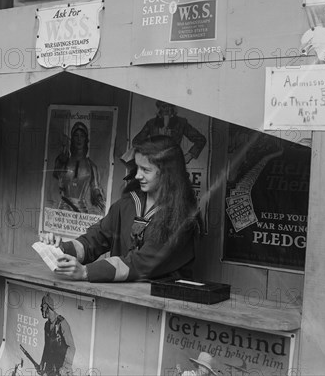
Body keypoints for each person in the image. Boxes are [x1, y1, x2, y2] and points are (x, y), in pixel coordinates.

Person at [42, 136, 199, 282]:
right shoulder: (128, 203)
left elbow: (140, 264)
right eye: (137, 168)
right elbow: (97, 238)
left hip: (161, 304)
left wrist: (86, 272)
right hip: (121, 300)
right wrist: (61, 249)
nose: (137, 175)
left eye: (146, 170)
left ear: (167, 174)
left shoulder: (182, 217)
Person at [52, 121, 105, 214]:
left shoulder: (92, 166)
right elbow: (56, 178)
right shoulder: (64, 161)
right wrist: (61, 159)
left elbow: (96, 189)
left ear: (86, 139)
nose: (79, 139)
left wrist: (100, 203)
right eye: (76, 135)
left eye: (82, 136)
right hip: (63, 209)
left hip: (81, 210)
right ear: (72, 139)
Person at [132, 101, 207, 165]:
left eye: (168, 106)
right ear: (159, 107)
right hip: (155, 164)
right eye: (163, 106)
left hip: (174, 164)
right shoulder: (151, 123)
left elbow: (200, 139)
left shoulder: (181, 123)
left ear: (173, 107)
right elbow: (136, 142)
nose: (166, 108)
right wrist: (149, 153)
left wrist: (189, 155)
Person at [39, 293, 75, 376]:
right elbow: (47, 346)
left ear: (48, 307)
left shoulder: (62, 323)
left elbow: (71, 347)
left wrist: (65, 367)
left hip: (62, 368)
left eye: (42, 307)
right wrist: (42, 362)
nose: (41, 309)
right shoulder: (47, 325)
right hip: (51, 367)